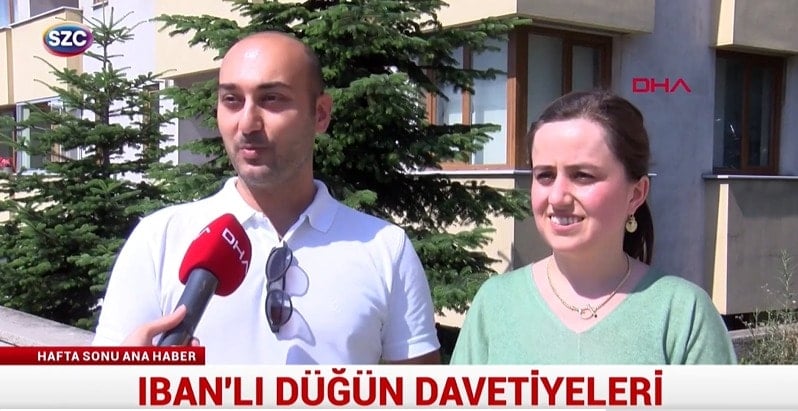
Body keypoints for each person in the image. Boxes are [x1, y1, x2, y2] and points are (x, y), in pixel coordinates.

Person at [92, 31, 441, 365]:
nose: (247, 124)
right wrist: (125, 385)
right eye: (232, 100)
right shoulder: (159, 239)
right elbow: (98, 392)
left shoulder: (385, 249)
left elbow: (421, 393)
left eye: (272, 99)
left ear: (320, 114)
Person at [450, 90, 736, 364]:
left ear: (635, 194)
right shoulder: (495, 304)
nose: (557, 197)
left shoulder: (683, 315)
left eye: (583, 175)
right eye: (545, 175)